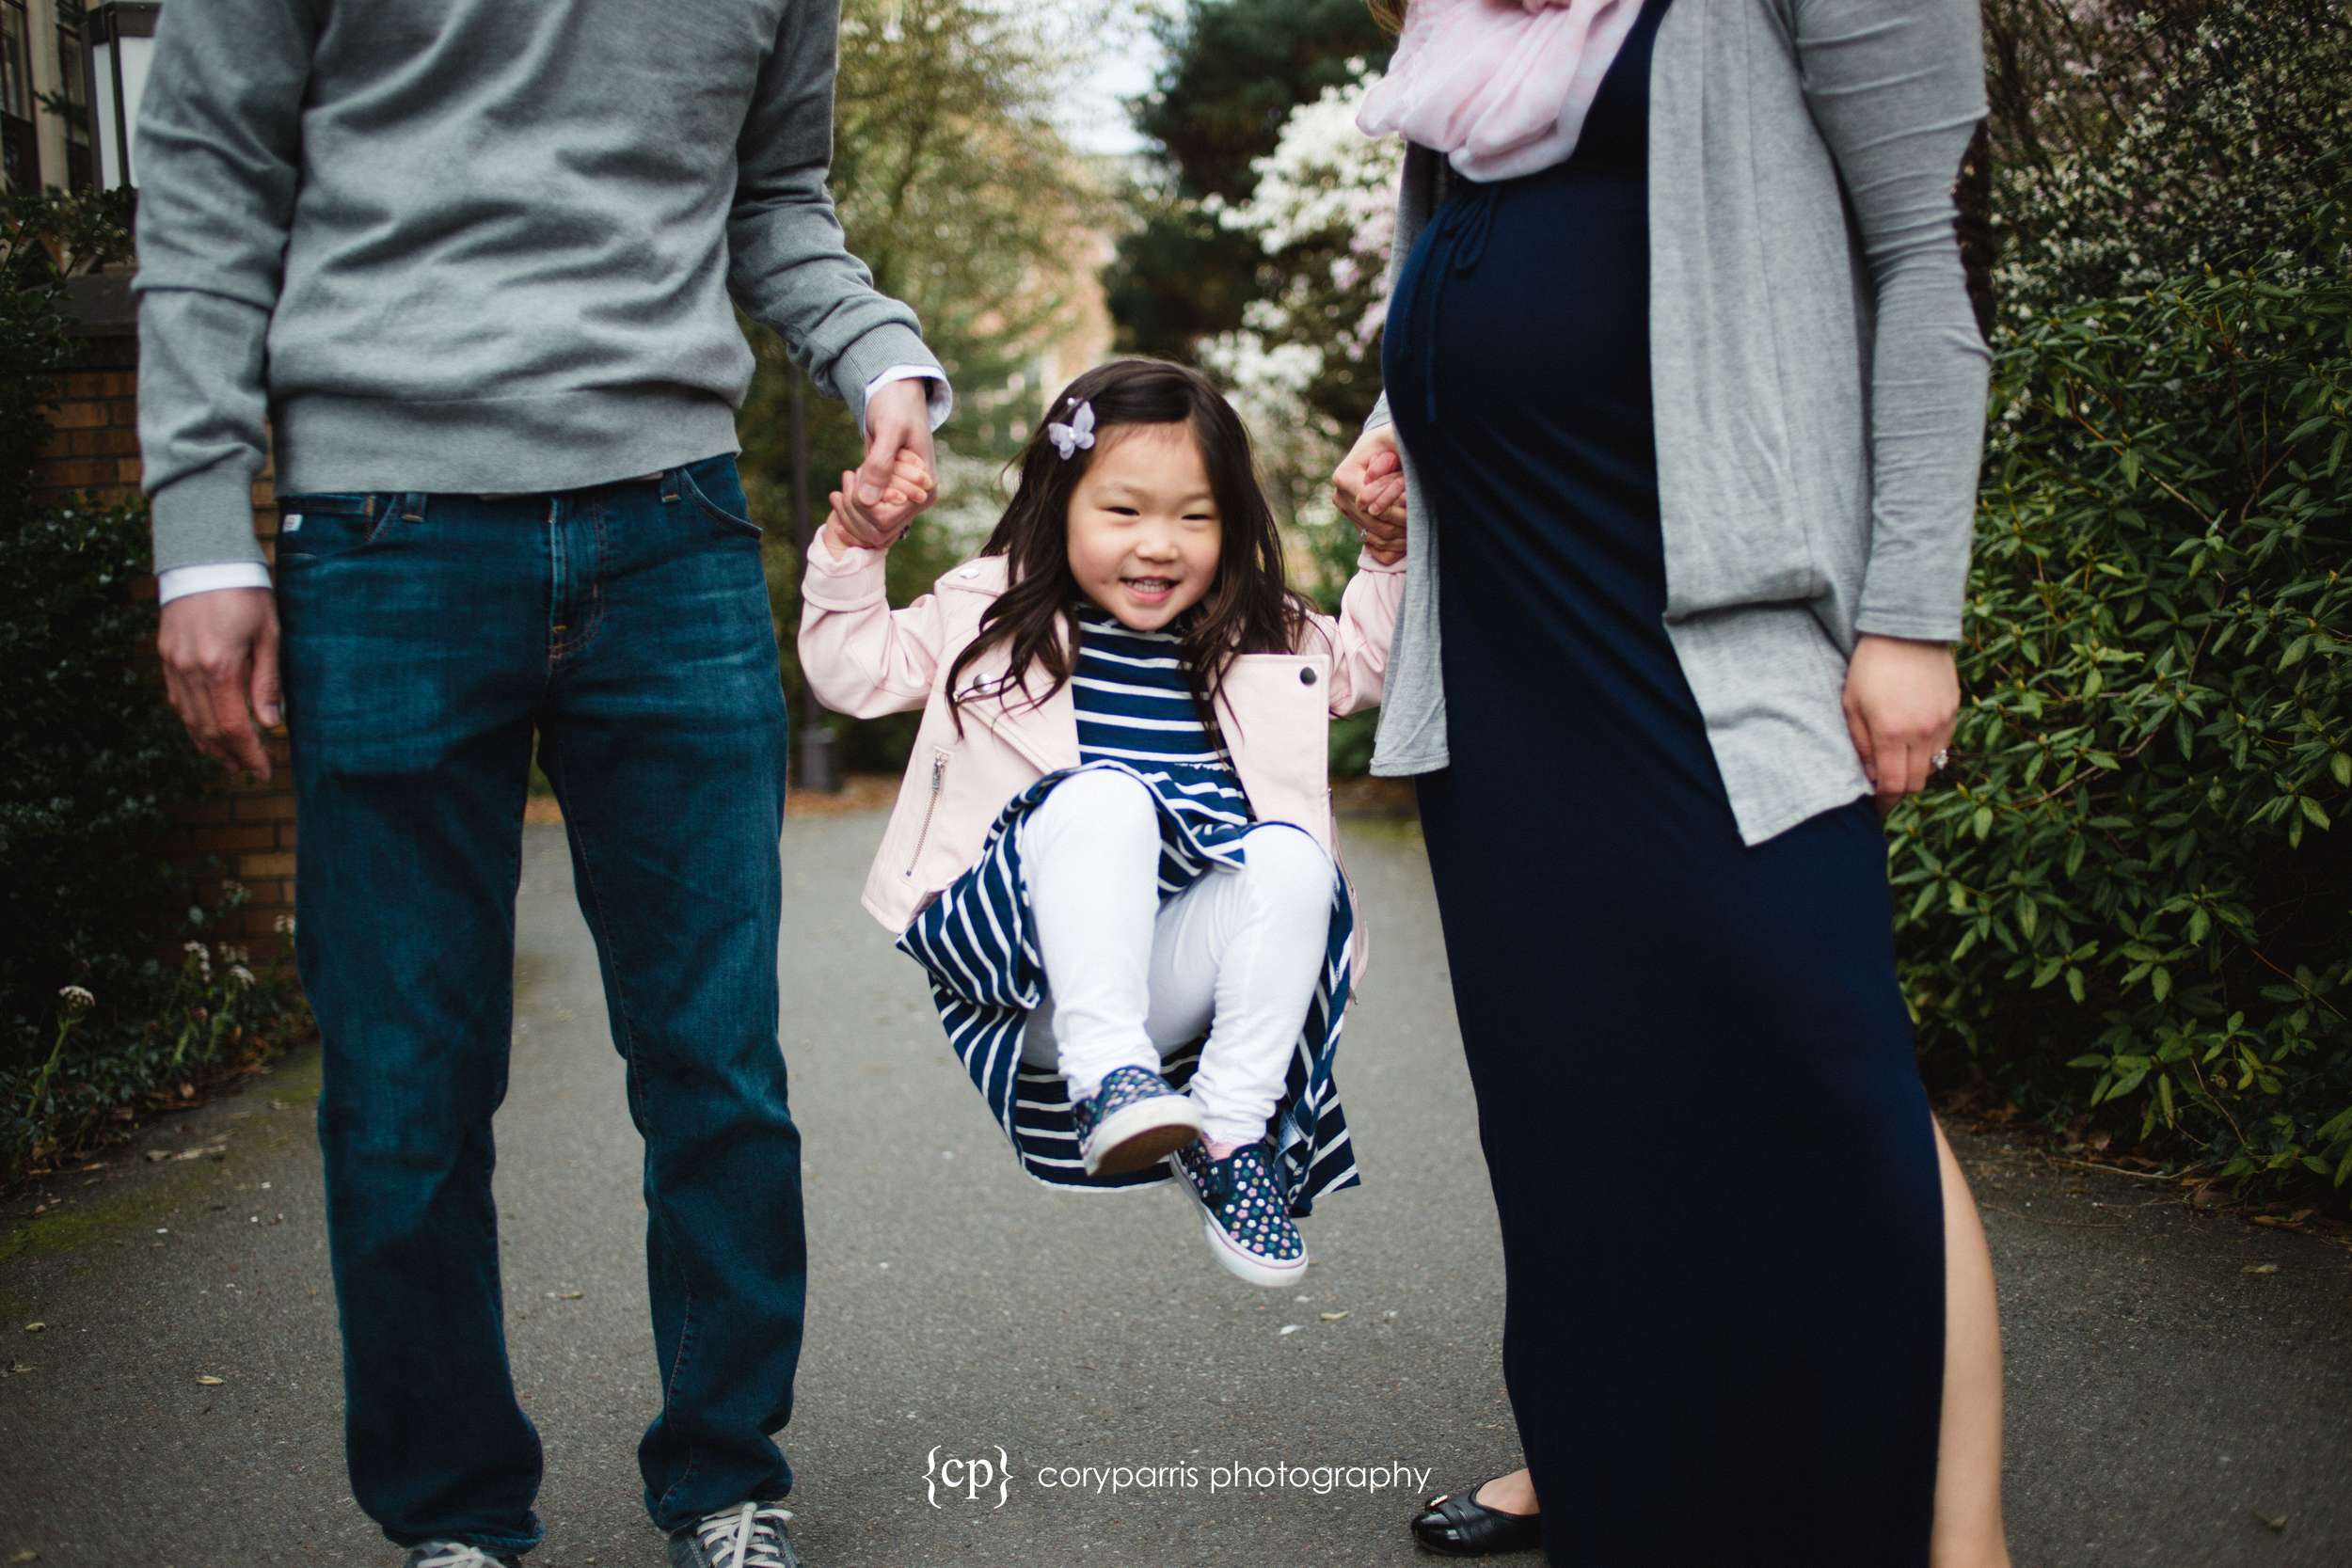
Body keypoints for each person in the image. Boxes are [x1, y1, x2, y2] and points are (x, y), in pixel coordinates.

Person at [135, 2, 949, 1564]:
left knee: (715, 1059)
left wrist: (876, 350)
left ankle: (725, 1480)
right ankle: (453, 1517)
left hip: (674, 525)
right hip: (382, 527)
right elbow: (206, 172)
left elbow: (773, 195)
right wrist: (200, 528)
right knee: (404, 1080)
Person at [1330, 0, 2012, 1563]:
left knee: (1828, 1060)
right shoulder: (1453, 31)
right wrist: (1394, 425)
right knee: (1574, 1084)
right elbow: (1448, 265)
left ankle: (1953, 1529)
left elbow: (1925, 264)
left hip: (1711, 616)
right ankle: (1600, 1454)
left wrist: (1913, 611)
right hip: (1503, 629)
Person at [798, 358, 1404, 1284]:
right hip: (1023, 969)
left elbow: (1366, 661)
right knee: (1106, 795)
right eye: (1122, 511)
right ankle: (1106, 1071)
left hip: (1160, 977)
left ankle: (1231, 1135)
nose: (1158, 545)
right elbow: (851, 670)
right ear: (1060, 502)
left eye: (1194, 517)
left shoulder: (1259, 634)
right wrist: (855, 548)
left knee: (1293, 861)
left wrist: (1387, 557)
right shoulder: (988, 609)